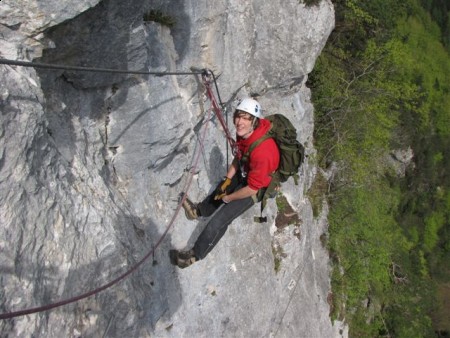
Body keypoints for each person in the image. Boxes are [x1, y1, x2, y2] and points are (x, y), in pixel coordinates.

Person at [170, 98, 280, 268]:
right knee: (223, 186)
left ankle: (193, 256)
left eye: (245, 118)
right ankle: (198, 211)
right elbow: (240, 154)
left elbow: (252, 188)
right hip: (247, 170)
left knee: (219, 221)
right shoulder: (244, 132)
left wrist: (229, 198)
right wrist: (227, 180)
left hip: (257, 187)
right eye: (238, 116)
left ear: (255, 121)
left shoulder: (263, 152)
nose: (239, 122)